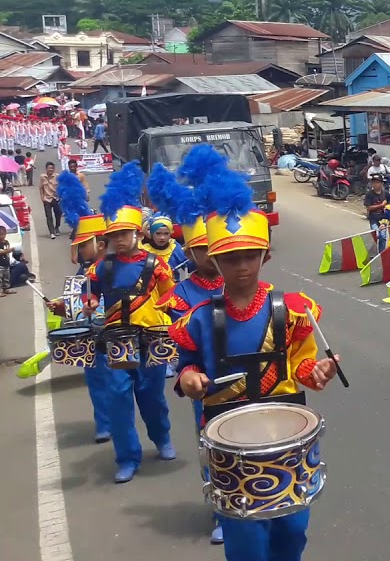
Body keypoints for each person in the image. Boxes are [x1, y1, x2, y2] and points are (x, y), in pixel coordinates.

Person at [170, 144, 339, 560]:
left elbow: (301, 364)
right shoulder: (198, 319)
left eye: (250, 256)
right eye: (231, 259)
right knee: (245, 538)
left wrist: (317, 373)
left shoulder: (293, 309)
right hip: (227, 435)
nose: (242, 266)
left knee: (292, 530)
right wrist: (189, 379)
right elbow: (186, 366)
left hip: (287, 433)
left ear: (265, 255)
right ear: (215, 261)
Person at [149, 154, 225, 544]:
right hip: (207, 385)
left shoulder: (241, 283)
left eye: (217, 247)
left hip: (251, 379)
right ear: (189, 252)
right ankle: (221, 509)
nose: (212, 256)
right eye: (202, 249)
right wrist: (189, 374)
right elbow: (184, 350)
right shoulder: (179, 295)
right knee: (212, 445)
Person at [85, 160, 176, 483]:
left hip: (152, 337)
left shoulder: (157, 265)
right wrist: (89, 302)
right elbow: (88, 291)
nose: (120, 239)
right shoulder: (101, 267)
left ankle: (162, 438)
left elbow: (171, 299)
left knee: (152, 396)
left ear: (138, 233)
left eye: (125, 233)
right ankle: (126, 458)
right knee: (119, 399)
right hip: (117, 340)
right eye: (114, 235)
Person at [48, 171, 114, 443]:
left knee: (120, 385)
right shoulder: (82, 272)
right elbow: (77, 305)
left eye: (83, 244)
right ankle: (104, 424)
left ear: (100, 244)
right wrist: (62, 308)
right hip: (90, 338)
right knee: (96, 383)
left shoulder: (116, 270)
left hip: (117, 336)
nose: (78, 249)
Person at [141, 213, 190, 282]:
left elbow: (189, 267)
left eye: (166, 233)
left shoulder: (175, 248)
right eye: (158, 233)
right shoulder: (144, 250)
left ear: (170, 233)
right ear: (152, 234)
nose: (162, 237)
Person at [364, 174, 390, 252]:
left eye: (377, 182)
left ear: (381, 183)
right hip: (373, 218)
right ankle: (373, 252)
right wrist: (381, 205)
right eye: (374, 182)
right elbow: (369, 208)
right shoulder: (369, 194)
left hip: (383, 219)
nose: (375, 184)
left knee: (383, 236)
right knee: (376, 235)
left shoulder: (386, 193)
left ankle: (381, 254)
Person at [39, 161, 61, 240]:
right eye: (49, 168)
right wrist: (42, 198)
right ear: (46, 169)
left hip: (56, 198)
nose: (51, 170)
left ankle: (57, 227)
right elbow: (41, 188)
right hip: (47, 199)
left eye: (52, 168)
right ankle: (52, 232)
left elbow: (61, 187)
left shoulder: (57, 176)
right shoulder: (42, 177)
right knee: (49, 216)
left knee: (58, 214)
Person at [0, 225, 11, 296]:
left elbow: (7, 251)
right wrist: (7, 251)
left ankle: (6, 289)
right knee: (0, 278)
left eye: (3, 234)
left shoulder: (6, 242)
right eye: (0, 235)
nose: (2, 236)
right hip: (0, 264)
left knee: (6, 278)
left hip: (6, 263)